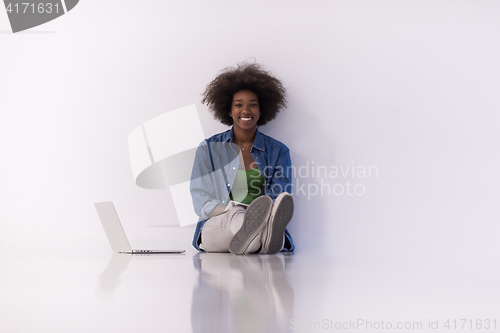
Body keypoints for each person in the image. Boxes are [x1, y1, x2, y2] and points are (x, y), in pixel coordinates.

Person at [190, 62, 295, 254]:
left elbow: (279, 197)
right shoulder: (208, 149)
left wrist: (267, 210)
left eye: (253, 105)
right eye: (239, 105)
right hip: (217, 227)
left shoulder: (279, 151)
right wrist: (230, 208)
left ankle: (256, 238)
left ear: (262, 110)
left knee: (251, 236)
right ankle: (265, 239)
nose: (246, 110)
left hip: (259, 224)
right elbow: (200, 199)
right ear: (229, 110)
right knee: (237, 214)